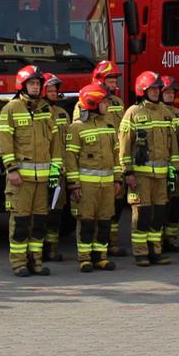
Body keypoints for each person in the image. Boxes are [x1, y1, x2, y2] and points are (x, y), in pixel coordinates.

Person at [0, 65, 62, 277]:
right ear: (22, 85)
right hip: (21, 179)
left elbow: (55, 144)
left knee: (39, 224)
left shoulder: (46, 110)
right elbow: (6, 143)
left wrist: (55, 170)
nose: (35, 87)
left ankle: (36, 262)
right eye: (32, 83)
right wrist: (11, 169)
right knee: (21, 222)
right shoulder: (11, 109)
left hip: (43, 180)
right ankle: (18, 263)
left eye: (37, 84)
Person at [119, 71, 179, 267]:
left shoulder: (165, 113)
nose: (156, 92)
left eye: (157, 89)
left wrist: (176, 168)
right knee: (142, 214)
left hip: (161, 175)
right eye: (152, 89)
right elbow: (125, 145)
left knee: (159, 213)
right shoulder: (133, 113)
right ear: (142, 91)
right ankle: (141, 253)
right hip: (141, 175)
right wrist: (127, 171)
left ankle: (156, 251)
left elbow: (173, 144)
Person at [66, 84, 121, 272]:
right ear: (93, 103)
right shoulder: (76, 128)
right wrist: (74, 185)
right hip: (86, 186)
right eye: (104, 102)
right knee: (86, 221)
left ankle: (101, 257)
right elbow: (70, 159)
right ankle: (85, 258)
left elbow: (116, 155)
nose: (107, 105)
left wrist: (118, 179)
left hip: (106, 185)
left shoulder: (108, 125)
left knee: (105, 221)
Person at [86, 61, 129, 257]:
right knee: (96, 207)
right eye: (110, 80)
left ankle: (110, 242)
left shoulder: (118, 104)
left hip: (116, 159)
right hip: (96, 162)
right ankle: (96, 245)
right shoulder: (85, 102)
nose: (114, 84)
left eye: (114, 81)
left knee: (116, 203)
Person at [40, 72, 71, 263]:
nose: (53, 93)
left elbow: (68, 141)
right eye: (49, 90)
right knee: (41, 211)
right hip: (43, 171)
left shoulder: (62, 113)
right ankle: (38, 249)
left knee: (56, 212)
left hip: (60, 172)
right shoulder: (38, 113)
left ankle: (52, 248)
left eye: (55, 90)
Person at [158, 75, 179, 254]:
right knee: (161, 205)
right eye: (166, 91)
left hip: (177, 168)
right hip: (159, 167)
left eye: (171, 92)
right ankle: (158, 240)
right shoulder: (155, 113)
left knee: (175, 205)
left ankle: (171, 239)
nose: (169, 95)